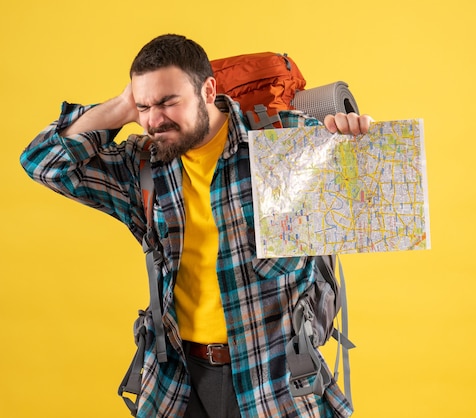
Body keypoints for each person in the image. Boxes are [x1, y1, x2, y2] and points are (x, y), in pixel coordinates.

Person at [20, 34, 371, 418]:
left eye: (169, 101)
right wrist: (121, 107)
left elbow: (367, 196)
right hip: (179, 383)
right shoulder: (144, 166)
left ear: (208, 90)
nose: (155, 119)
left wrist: (352, 139)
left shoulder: (280, 142)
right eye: (144, 106)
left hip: (275, 379)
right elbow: (42, 162)